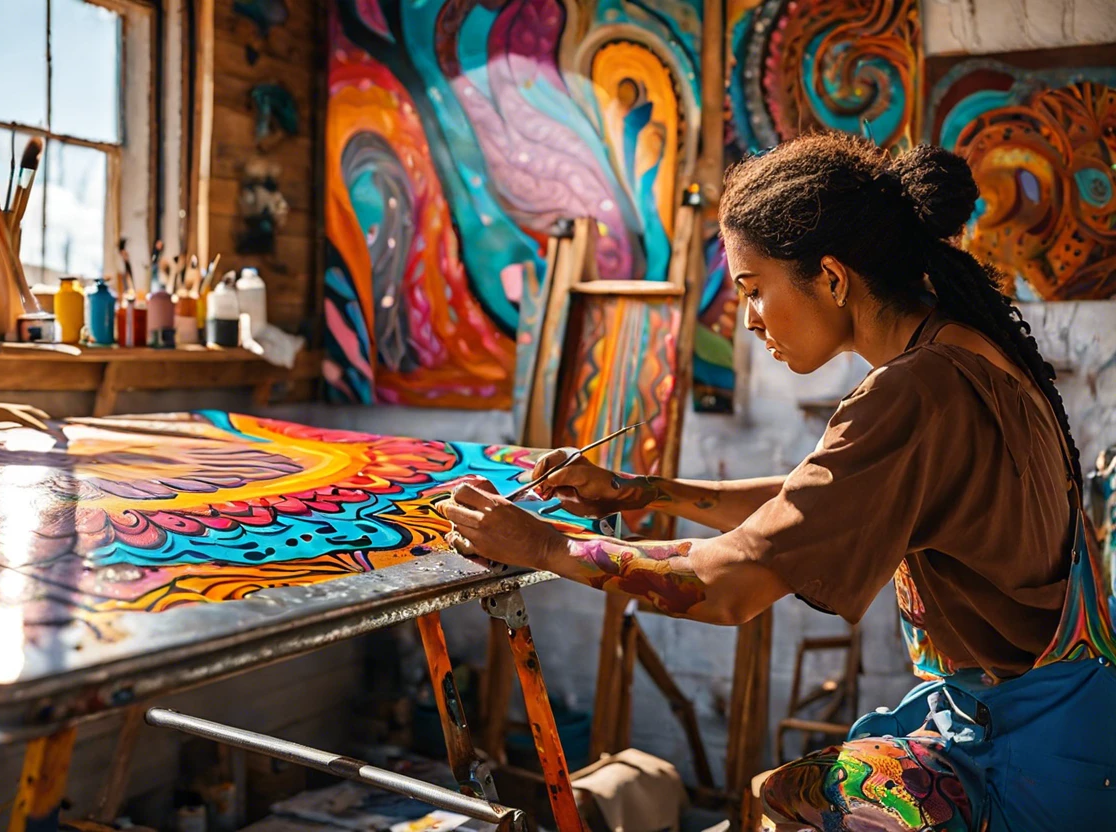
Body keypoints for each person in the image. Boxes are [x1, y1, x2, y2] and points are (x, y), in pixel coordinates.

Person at [437, 132, 1116, 831]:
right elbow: (809, 502)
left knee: (783, 797)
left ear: (831, 276)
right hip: (1081, 734)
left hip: (1029, 767)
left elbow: (726, 586)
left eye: (753, 291)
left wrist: (545, 548)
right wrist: (639, 491)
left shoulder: (915, 393)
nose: (750, 321)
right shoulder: (970, 350)